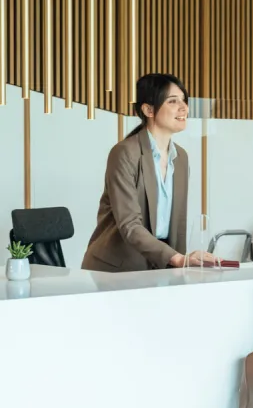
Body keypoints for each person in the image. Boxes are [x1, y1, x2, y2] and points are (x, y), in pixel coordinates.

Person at [82, 72, 215, 273]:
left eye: (184, 100)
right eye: (172, 101)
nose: (184, 107)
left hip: (159, 266)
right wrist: (177, 259)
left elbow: (178, 223)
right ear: (148, 109)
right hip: (116, 269)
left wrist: (181, 265)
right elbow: (129, 224)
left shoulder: (181, 157)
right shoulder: (125, 153)